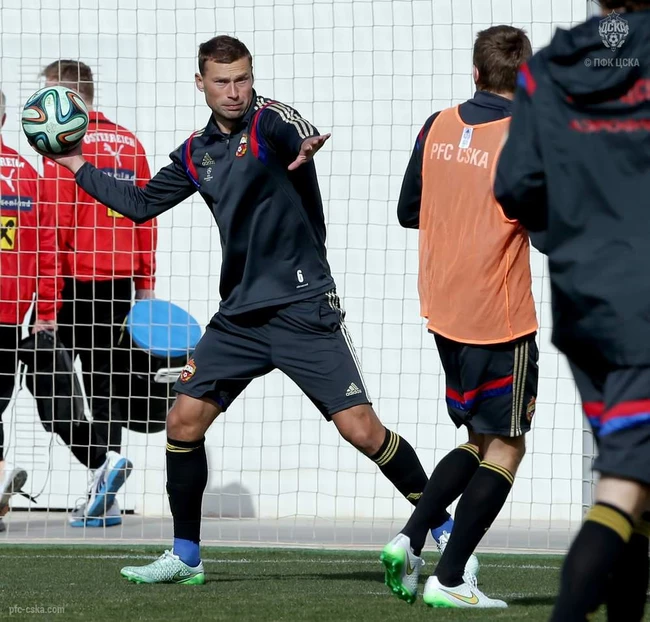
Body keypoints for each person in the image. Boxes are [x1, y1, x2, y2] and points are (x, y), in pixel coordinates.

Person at [48, 35, 455, 583]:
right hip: (238, 318)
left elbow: (295, 129)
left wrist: (305, 146)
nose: (234, 91)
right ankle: (186, 556)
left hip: (302, 307)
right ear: (201, 83)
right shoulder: (196, 154)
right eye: (222, 81)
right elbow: (140, 205)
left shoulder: (269, 124)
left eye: (242, 78)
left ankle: (443, 526)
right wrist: (74, 161)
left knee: (362, 430)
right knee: (183, 421)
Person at [495, 2, 650, 620]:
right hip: (643, 301)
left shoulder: (547, 69)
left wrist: (577, 234)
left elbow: (515, 185)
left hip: (586, 298)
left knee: (637, 483)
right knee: (624, 486)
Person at [380, 26, 537, 609]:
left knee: (479, 439)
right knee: (508, 447)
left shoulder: (437, 125)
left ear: (475, 73)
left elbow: (408, 210)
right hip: (499, 316)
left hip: (443, 310)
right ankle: (449, 578)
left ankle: (409, 537)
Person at [40, 60, 157, 525]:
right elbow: (147, 214)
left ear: (67, 96)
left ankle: (98, 462)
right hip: (120, 285)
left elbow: (55, 229)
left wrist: (47, 305)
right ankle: (103, 495)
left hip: (74, 283)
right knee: (104, 385)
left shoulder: (64, 141)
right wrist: (145, 284)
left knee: (43, 376)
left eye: (46, 94)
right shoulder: (130, 142)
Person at [0, 90, 121, 530]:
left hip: (53, 300)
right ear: (6, 118)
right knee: (83, 388)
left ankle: (1, 474)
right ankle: (102, 459)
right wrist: (46, 312)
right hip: (15, 315)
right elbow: (47, 252)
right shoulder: (28, 175)